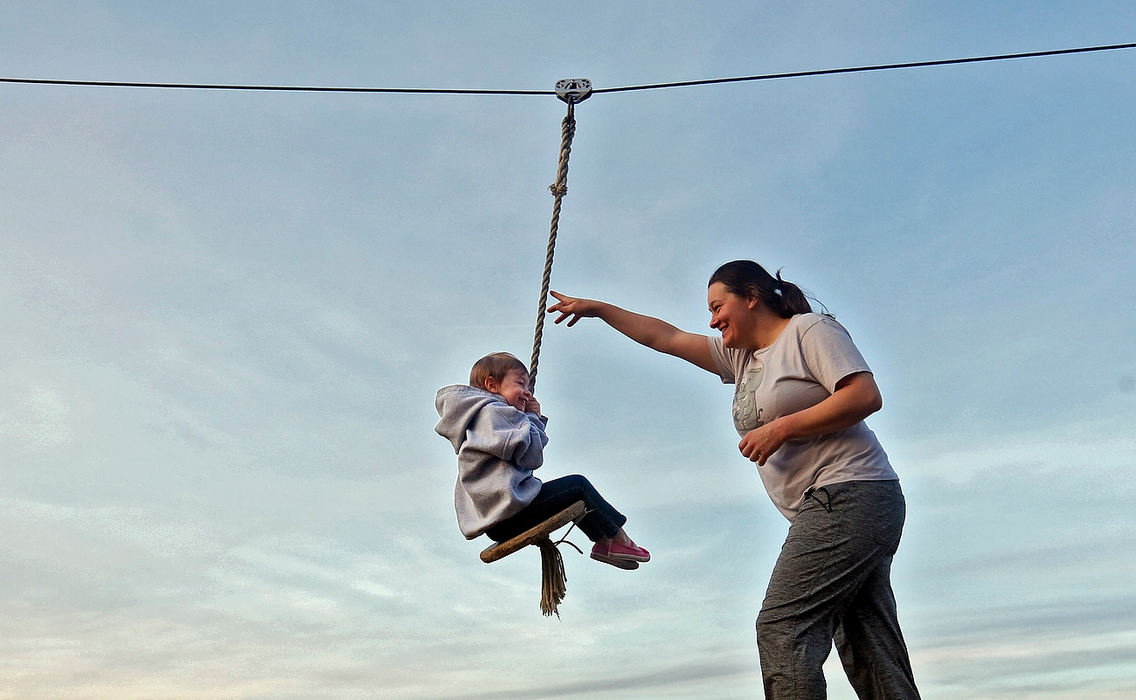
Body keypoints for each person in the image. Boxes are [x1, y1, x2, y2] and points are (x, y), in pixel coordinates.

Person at [547, 260, 919, 699]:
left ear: (752, 298)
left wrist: (782, 427)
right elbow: (663, 337)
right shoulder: (738, 357)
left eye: (718, 306)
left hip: (850, 491)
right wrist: (598, 309)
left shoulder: (808, 331)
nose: (712, 319)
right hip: (838, 505)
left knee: (783, 626)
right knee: (869, 644)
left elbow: (863, 394)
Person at [435, 351, 650, 570]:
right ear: (491, 385)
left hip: (498, 521)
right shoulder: (494, 412)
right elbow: (531, 455)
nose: (527, 393)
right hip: (511, 514)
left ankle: (605, 541)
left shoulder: (477, 419)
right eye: (520, 383)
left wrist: (528, 419)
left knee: (573, 496)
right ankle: (618, 538)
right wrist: (533, 419)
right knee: (578, 486)